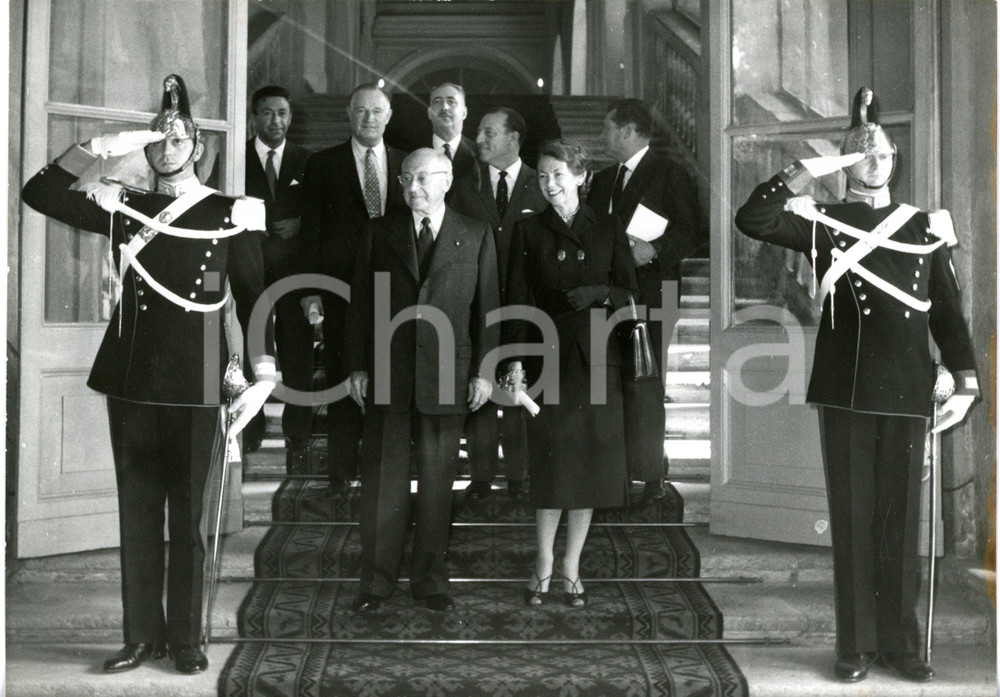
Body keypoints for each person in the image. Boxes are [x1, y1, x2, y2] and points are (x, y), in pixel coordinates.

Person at [21, 74, 275, 675]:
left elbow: (258, 297)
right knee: (137, 514)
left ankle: (185, 639)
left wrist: (262, 371)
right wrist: (105, 144)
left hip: (198, 382)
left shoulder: (230, 213)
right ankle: (140, 637)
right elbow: (40, 191)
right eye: (155, 138)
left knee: (186, 520)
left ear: (198, 149)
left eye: (177, 137)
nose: (165, 148)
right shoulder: (122, 204)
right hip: (134, 379)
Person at [734, 87, 979, 684]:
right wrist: (810, 170)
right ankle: (856, 646)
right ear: (846, 161)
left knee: (901, 520)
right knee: (853, 519)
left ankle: (902, 644)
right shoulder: (823, 221)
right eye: (861, 151)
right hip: (845, 388)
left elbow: (945, 311)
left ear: (896, 159)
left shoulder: (924, 226)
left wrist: (964, 377)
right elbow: (753, 218)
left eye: (883, 151)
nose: (875, 159)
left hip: (906, 387)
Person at [344, 148, 500, 612]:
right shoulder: (378, 232)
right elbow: (360, 308)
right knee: (383, 486)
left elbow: (488, 312)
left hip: (449, 376)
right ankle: (375, 583)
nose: (413, 188)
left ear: (447, 180)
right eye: (405, 179)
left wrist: (484, 373)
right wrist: (357, 365)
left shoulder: (475, 235)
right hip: (388, 375)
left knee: (437, 484)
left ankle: (430, 581)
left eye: (423, 178)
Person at [505, 139, 637, 608]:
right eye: (542, 177)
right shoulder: (527, 232)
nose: (550, 184)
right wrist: (515, 362)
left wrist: (599, 291)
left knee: (590, 468)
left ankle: (571, 568)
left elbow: (630, 291)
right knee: (552, 462)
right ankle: (543, 561)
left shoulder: (607, 226)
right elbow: (518, 302)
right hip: (546, 359)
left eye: (559, 175)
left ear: (582, 177)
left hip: (598, 357)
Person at [589, 98, 702, 504]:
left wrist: (654, 250)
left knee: (647, 384)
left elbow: (691, 231)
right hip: (610, 296)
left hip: (654, 293)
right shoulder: (601, 181)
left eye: (607, 129)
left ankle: (652, 473)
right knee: (614, 382)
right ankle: (618, 469)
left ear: (629, 131)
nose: (602, 136)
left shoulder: (669, 173)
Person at [299, 84, 406, 496]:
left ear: (389, 115)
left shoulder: (404, 163)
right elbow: (310, 232)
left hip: (396, 292)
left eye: (376, 112)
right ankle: (341, 474)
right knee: (346, 379)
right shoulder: (323, 165)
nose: (369, 119)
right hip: (341, 290)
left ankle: (387, 472)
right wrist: (310, 289)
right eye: (361, 111)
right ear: (348, 113)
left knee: (392, 381)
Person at [450, 107, 547, 502]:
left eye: (490, 132)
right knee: (482, 387)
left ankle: (521, 476)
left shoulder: (540, 183)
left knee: (524, 389)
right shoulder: (463, 186)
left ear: (514, 138)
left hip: (529, 309)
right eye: (480, 133)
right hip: (478, 307)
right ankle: (482, 475)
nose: (481, 140)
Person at [243, 85, 312, 455]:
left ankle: (297, 432)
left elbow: (320, 213)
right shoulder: (237, 158)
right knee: (255, 349)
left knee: (297, 351)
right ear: (254, 117)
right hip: (250, 271)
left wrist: (301, 222)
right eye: (268, 113)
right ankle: (251, 428)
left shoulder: (307, 160)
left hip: (294, 274)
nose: (276, 120)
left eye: (283, 113)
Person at [427, 82, 477, 182]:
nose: (444, 107)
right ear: (429, 113)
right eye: (437, 102)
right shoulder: (411, 151)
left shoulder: (480, 155)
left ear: (464, 112)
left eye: (451, 102)